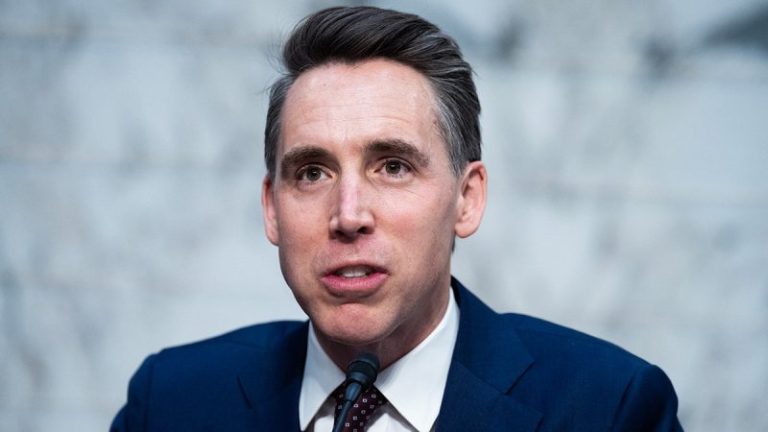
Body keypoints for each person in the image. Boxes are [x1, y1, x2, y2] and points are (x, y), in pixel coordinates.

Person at [111, 6, 683, 432]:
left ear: (467, 199)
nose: (348, 215)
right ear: (272, 209)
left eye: (392, 166)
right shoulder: (170, 403)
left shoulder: (609, 408)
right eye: (312, 173)